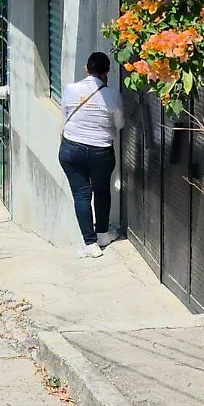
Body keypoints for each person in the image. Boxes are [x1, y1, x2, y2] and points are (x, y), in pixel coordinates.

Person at [59, 51, 124, 259]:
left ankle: (90, 244)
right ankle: (102, 234)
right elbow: (120, 124)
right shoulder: (113, 95)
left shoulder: (70, 89)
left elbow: (65, 114)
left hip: (71, 148)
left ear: (86, 69)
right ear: (106, 73)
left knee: (81, 194)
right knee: (102, 190)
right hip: (101, 151)